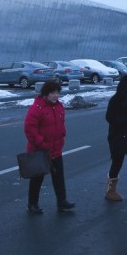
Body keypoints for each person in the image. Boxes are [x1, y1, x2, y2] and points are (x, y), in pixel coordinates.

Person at [24, 80, 75, 214]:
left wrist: (62, 133)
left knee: (58, 177)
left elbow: (60, 123)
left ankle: (62, 202)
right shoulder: (37, 108)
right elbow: (30, 129)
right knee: (37, 179)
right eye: (52, 93)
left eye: (57, 93)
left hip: (56, 149)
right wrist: (42, 143)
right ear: (45, 94)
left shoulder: (58, 106)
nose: (55, 96)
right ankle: (32, 204)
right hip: (40, 151)